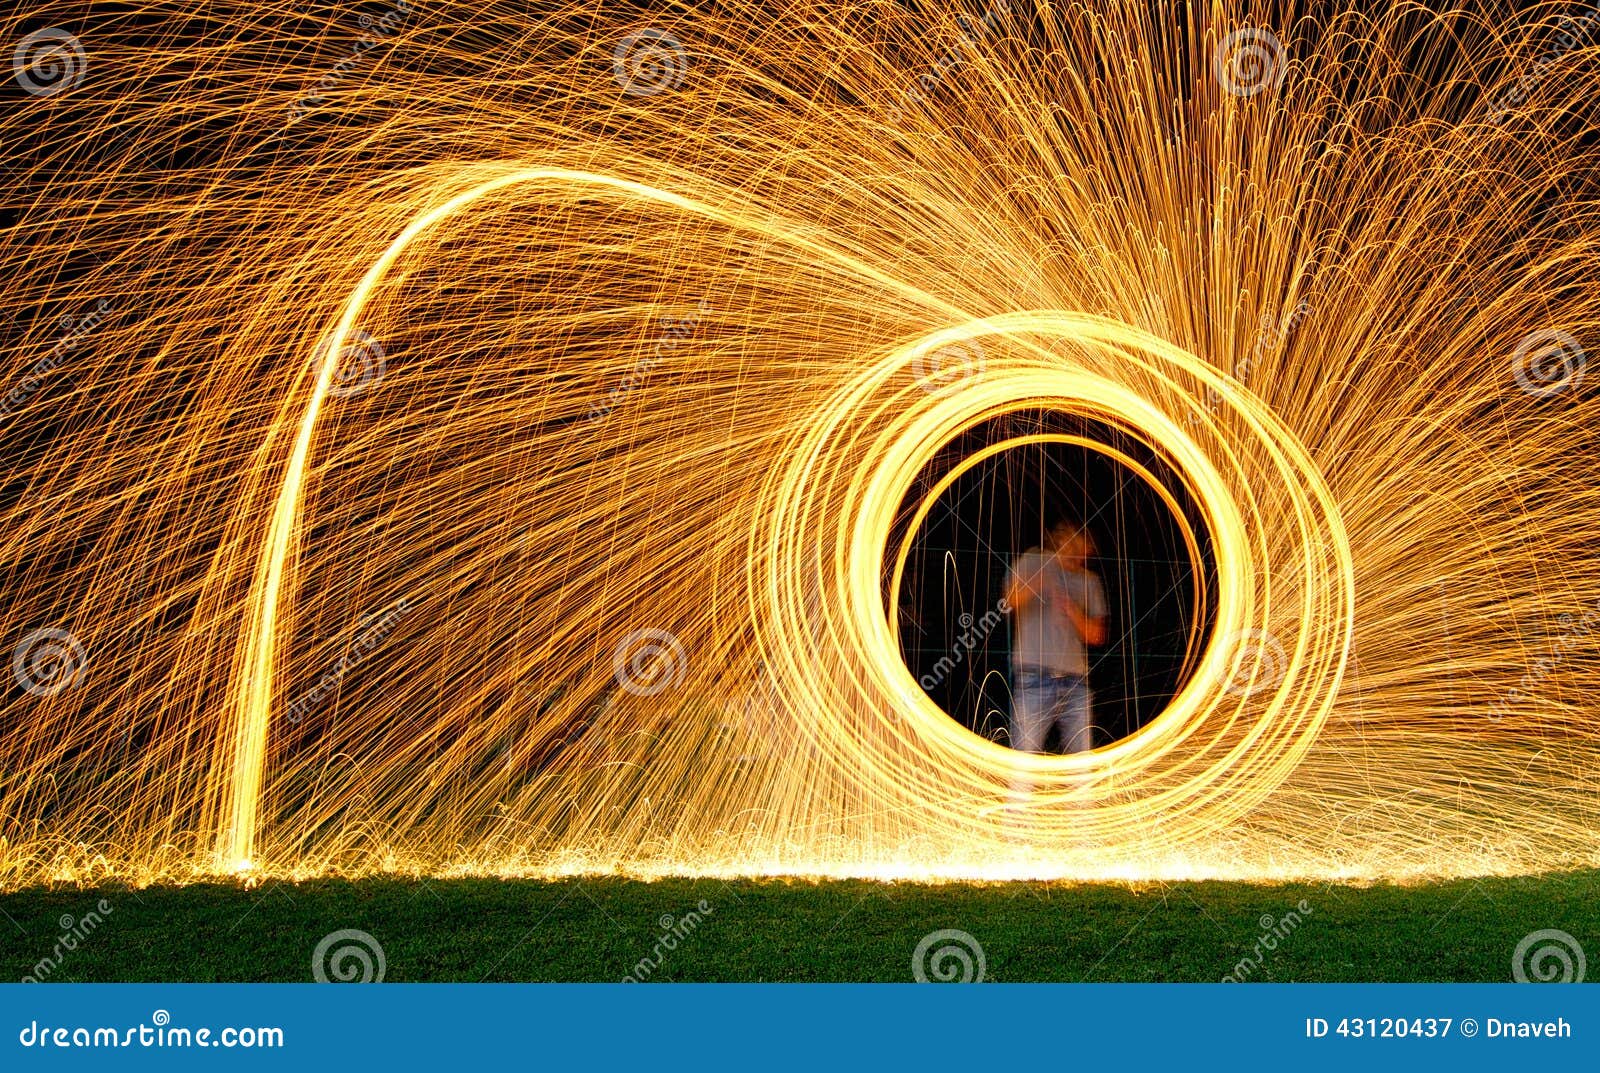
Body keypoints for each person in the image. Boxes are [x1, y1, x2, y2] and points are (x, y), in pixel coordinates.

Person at [1004, 519, 1108, 754]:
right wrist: (1040, 580)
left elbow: (1096, 636)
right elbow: (1009, 602)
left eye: (1083, 554)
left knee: (1080, 764)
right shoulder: (1033, 561)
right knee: (1023, 761)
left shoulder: (1089, 581)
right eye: (1072, 550)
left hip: (1076, 683)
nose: (1077, 559)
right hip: (1034, 678)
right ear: (1060, 541)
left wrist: (1072, 611)